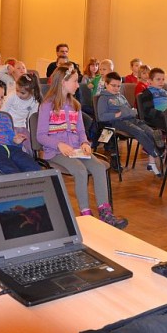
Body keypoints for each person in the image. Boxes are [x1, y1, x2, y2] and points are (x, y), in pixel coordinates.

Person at [36, 66, 127, 229]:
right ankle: (86, 214)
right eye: (75, 81)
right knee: (80, 170)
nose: (78, 85)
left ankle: (105, 213)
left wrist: (85, 143)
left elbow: (80, 131)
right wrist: (58, 144)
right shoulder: (47, 106)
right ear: (63, 82)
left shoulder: (75, 105)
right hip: (56, 152)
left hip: (76, 149)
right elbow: (41, 136)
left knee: (99, 167)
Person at [96, 72, 165, 176]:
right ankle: (155, 152)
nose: (116, 88)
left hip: (131, 118)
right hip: (118, 121)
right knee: (139, 132)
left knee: (150, 131)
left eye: (119, 86)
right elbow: (101, 117)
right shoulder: (103, 98)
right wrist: (117, 114)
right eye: (113, 85)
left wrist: (133, 111)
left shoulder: (121, 96)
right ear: (106, 84)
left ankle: (159, 149)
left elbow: (128, 107)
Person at [2, 73, 42, 154]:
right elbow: (3, 112)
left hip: (22, 127)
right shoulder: (12, 96)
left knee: (27, 147)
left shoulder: (34, 101)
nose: (18, 94)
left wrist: (30, 134)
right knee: (12, 146)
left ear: (32, 91)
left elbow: (31, 120)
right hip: (8, 126)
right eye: (17, 90)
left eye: (22, 93)